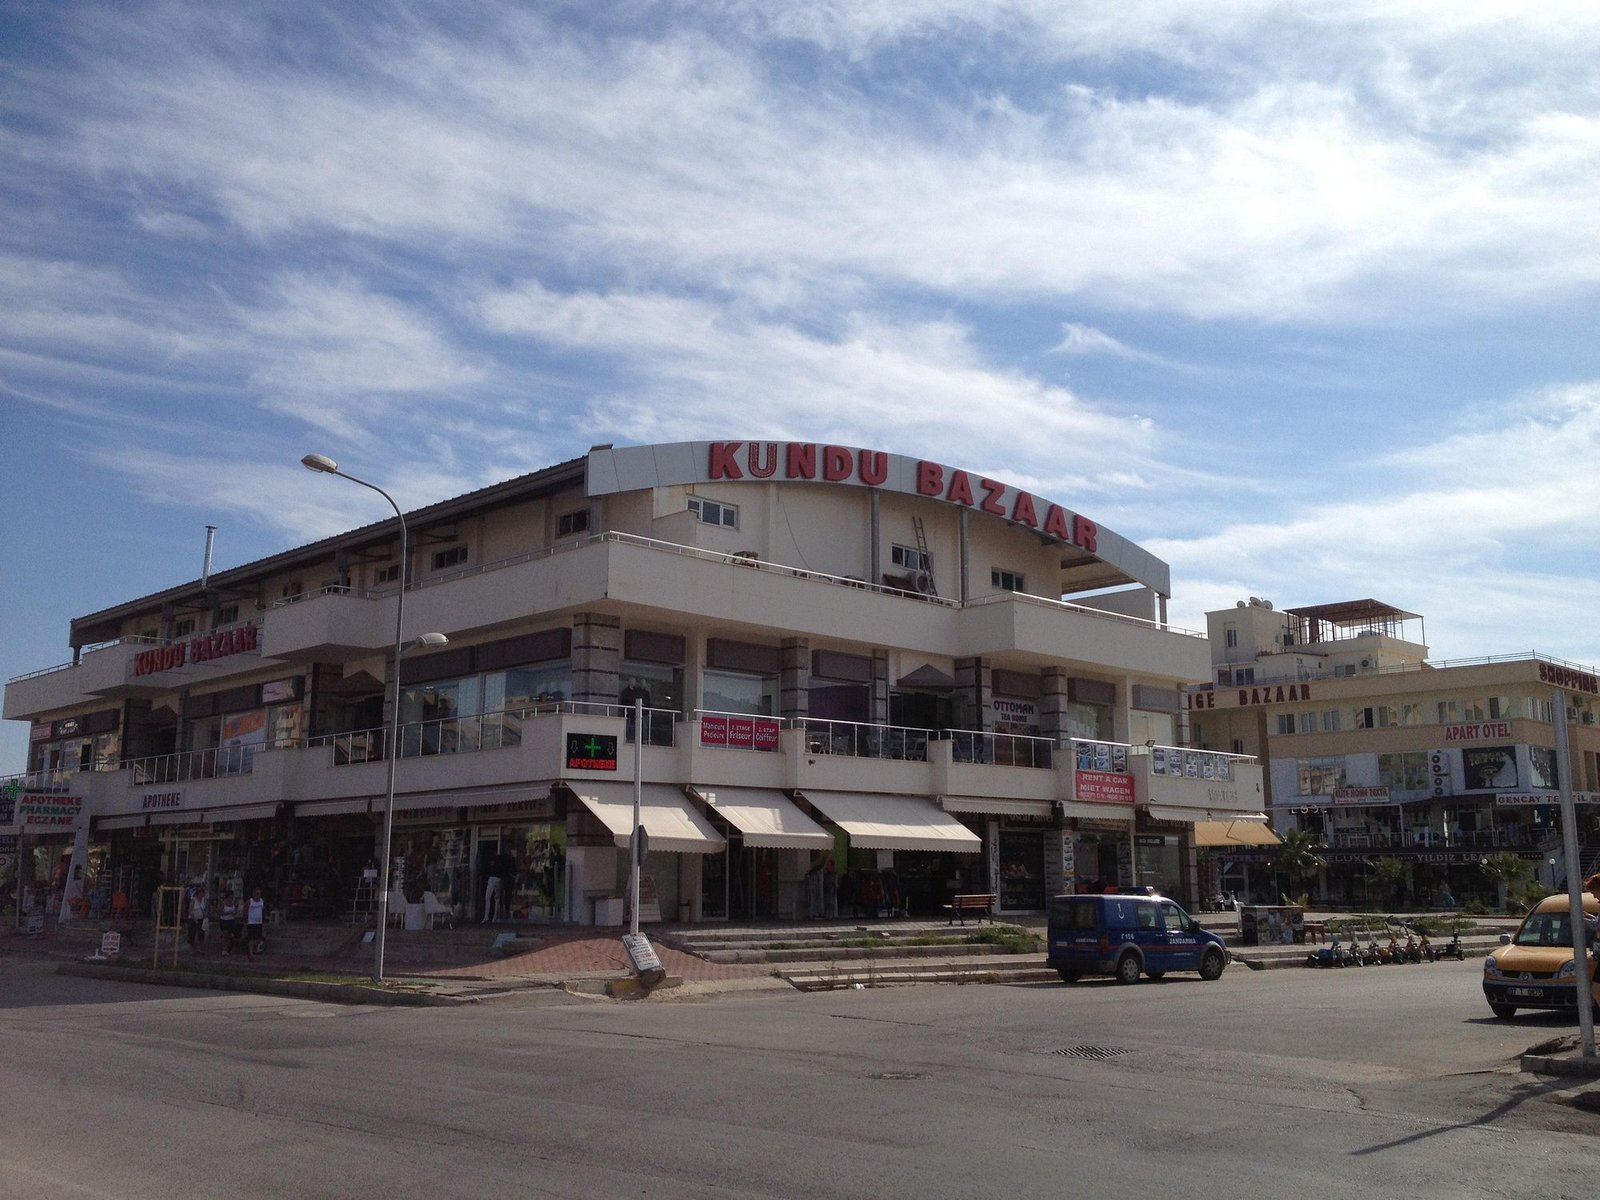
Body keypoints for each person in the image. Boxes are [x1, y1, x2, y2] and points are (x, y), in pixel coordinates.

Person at [244, 888, 266, 960]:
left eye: (259, 893)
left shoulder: (261, 901)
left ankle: (251, 950)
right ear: (253, 894)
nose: (258, 895)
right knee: (251, 938)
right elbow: (245, 909)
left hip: (259, 922)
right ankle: (251, 954)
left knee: (258, 938)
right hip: (251, 922)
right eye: (257, 893)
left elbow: (262, 910)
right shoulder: (250, 901)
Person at [217, 889, 240, 955]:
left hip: (231, 920)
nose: (231, 898)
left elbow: (236, 910)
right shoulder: (223, 903)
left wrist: (235, 912)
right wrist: (227, 913)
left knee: (230, 935)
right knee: (225, 934)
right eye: (230, 897)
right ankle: (224, 949)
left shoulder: (234, 903)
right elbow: (219, 912)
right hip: (224, 920)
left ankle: (228, 948)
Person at [185, 884, 207, 949]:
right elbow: (190, 910)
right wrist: (194, 919)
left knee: (201, 933)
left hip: (200, 918)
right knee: (192, 933)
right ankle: (191, 946)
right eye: (201, 893)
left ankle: (200, 946)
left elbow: (204, 909)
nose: (202, 894)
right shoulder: (193, 900)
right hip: (193, 919)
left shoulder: (204, 900)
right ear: (198, 893)